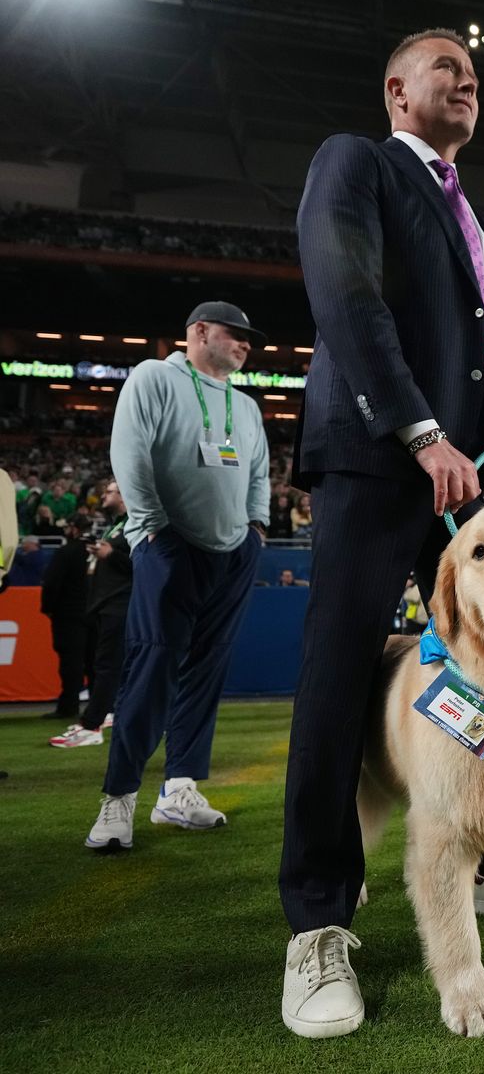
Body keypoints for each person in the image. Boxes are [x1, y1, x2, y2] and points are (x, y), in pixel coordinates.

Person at [278, 29, 484, 1039]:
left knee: (471, 684)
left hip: (464, 493)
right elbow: (347, 294)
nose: (467, 80)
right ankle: (320, 920)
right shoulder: (358, 164)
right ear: (395, 89)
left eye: (475, 74)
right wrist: (418, 430)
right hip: (382, 461)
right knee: (340, 677)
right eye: (446, 66)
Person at [84, 301, 270, 851]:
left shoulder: (248, 406)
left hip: (234, 550)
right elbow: (131, 453)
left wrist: (256, 529)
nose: (244, 345)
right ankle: (118, 800)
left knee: (205, 670)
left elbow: (259, 472)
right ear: (199, 332)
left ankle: (178, 789)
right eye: (235, 335)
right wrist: (151, 528)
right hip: (169, 545)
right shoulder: (154, 377)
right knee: (152, 666)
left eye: (248, 339)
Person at [49, 480, 131, 748]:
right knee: (112, 666)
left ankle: (91, 725)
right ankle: (105, 716)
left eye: (110, 491)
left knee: (109, 667)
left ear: (124, 495)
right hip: (106, 603)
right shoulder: (116, 524)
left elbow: (145, 564)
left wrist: (111, 555)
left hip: (120, 603)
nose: (103, 495)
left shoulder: (135, 524)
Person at [39, 515, 92, 721]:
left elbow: (51, 583)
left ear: (74, 529)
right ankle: (100, 707)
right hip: (96, 613)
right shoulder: (99, 550)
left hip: (69, 614)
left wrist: (48, 608)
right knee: (96, 662)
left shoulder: (65, 552)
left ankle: (69, 705)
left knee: (71, 663)